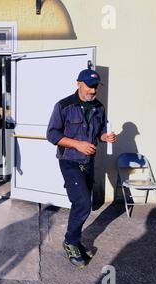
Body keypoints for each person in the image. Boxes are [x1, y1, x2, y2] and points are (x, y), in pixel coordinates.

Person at [46, 69, 117, 269]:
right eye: (89, 86)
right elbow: (52, 135)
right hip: (69, 160)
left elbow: (101, 131)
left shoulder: (99, 108)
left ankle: (75, 240)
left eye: (95, 87)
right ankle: (70, 241)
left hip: (88, 162)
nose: (93, 90)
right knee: (84, 203)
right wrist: (77, 144)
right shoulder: (64, 106)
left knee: (82, 203)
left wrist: (106, 137)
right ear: (78, 84)